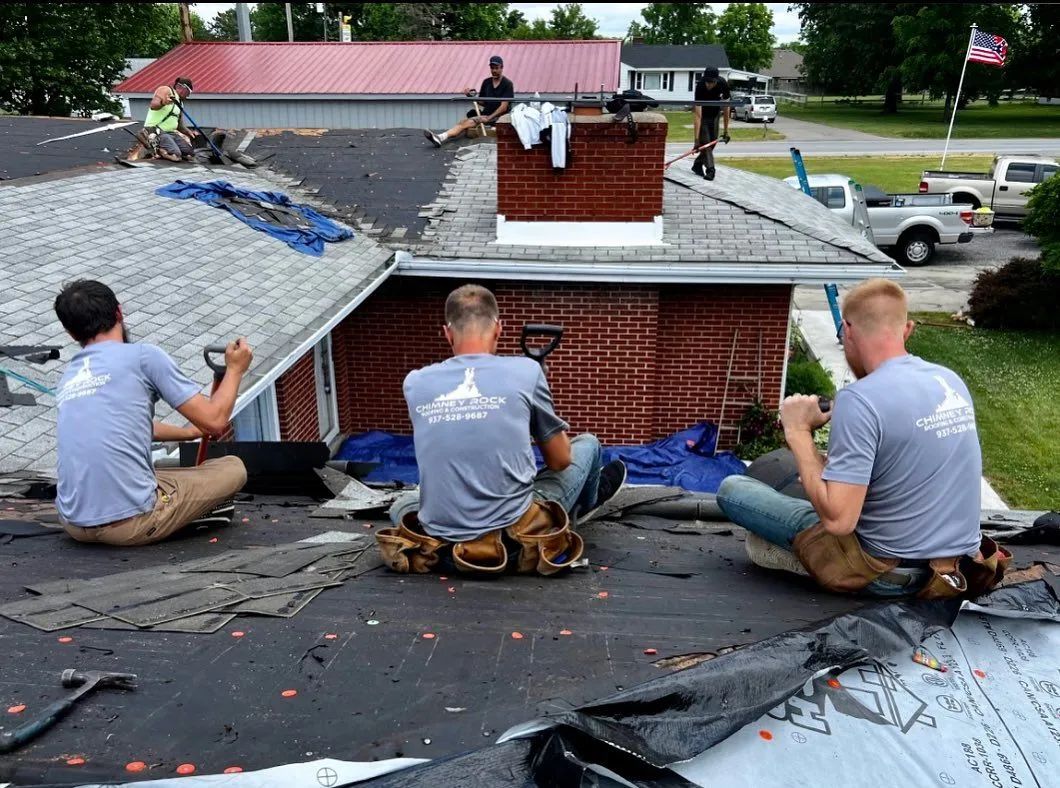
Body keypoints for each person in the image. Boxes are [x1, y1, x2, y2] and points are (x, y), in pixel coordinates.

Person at [716, 279, 1008, 598]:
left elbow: (840, 522)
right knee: (822, 483)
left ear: (847, 330)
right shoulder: (948, 380)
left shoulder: (859, 400)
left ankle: (799, 559)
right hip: (960, 570)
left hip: (891, 575)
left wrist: (798, 432)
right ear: (907, 329)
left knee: (734, 490)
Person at [378, 285, 626, 576]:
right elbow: (559, 461)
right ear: (499, 329)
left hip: (440, 546)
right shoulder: (526, 372)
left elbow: (459, 436)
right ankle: (579, 510)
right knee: (588, 444)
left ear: (447, 333)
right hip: (512, 543)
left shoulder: (415, 382)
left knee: (405, 503)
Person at [53, 280, 251, 546]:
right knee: (232, 468)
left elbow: (131, 426)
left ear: (70, 333)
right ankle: (192, 515)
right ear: (119, 313)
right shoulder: (144, 357)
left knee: (158, 474)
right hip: (131, 524)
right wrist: (235, 369)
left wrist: (189, 432)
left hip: (74, 524)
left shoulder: (69, 376)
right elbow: (215, 421)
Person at [424, 55, 514, 147]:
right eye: (492, 68)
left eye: (496, 68)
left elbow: (503, 107)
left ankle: (440, 137)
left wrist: (489, 118)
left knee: (466, 123)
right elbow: (482, 101)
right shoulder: (486, 82)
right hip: (485, 116)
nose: (494, 70)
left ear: (502, 67)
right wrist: (470, 96)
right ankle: (441, 137)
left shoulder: (507, 84)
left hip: (499, 118)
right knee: (462, 122)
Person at [144, 76, 198, 162]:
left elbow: (179, 125)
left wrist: (189, 132)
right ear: (181, 87)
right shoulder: (166, 90)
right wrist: (163, 103)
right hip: (157, 130)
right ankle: (159, 151)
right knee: (176, 155)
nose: (188, 95)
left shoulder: (180, 102)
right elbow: (153, 105)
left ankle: (168, 149)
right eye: (188, 92)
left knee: (189, 152)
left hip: (171, 133)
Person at [692, 66, 731, 180]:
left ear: (716, 80)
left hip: (715, 116)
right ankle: (710, 170)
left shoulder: (723, 84)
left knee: (712, 143)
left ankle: (697, 164)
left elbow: (726, 108)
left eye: (712, 82)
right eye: (707, 82)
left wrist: (726, 131)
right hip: (703, 117)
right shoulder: (700, 86)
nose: (709, 85)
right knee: (706, 144)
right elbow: (697, 115)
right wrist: (696, 140)